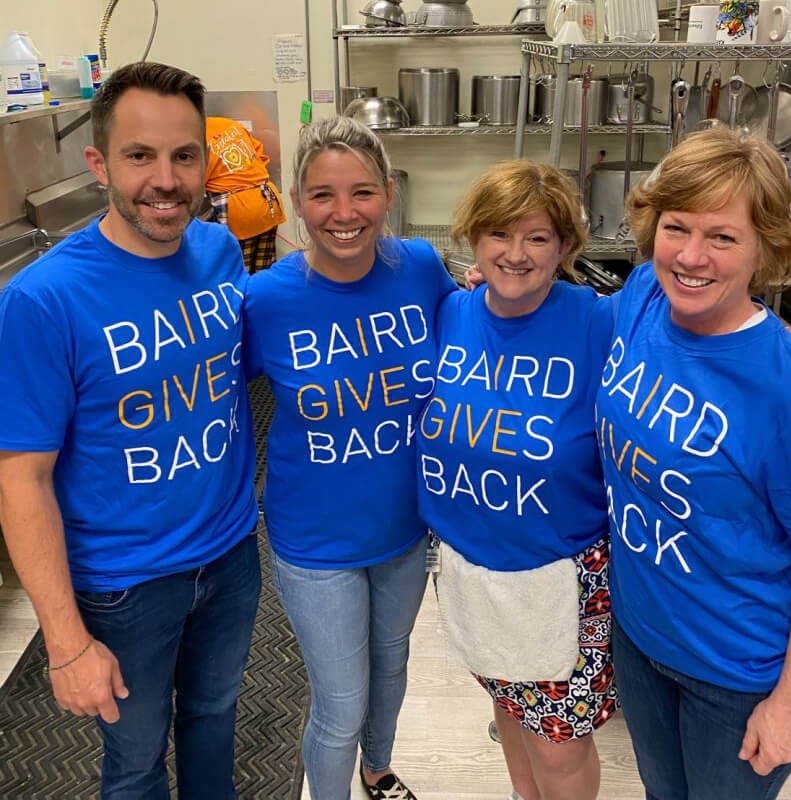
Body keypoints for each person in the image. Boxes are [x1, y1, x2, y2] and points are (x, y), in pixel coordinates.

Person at [0, 62, 260, 799]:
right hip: (124, 586)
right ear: (99, 163)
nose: (166, 180)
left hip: (232, 553)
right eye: (139, 156)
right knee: (137, 762)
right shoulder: (44, 301)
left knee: (213, 715)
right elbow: (21, 476)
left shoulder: (220, 252)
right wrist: (63, 640)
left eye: (184, 155)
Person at [243, 115, 457, 800]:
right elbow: (203, 394)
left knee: (391, 667)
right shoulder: (267, 299)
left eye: (361, 193)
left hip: (404, 527)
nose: (344, 214)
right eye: (322, 196)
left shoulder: (420, 268)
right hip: (316, 542)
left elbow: (477, 332)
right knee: (340, 704)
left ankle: (380, 768)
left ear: (388, 193)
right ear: (297, 200)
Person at [596, 125, 791, 800]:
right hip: (640, 633)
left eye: (723, 237)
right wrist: (500, 289)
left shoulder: (781, 387)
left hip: (735, 673)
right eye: (676, 227)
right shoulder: (645, 300)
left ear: (764, 249)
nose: (691, 256)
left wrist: (790, 706)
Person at [417, 160, 618, 800]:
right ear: (474, 238)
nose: (515, 253)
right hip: (470, 567)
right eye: (499, 234)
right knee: (508, 710)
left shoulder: (597, 321)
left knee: (557, 743)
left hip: (560, 575)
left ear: (564, 248)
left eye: (537, 237)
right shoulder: (451, 312)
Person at [205, 115, 286, 274]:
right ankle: (262, 298)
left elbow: (195, 178)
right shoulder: (231, 125)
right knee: (264, 272)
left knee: (238, 272)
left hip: (239, 209)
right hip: (267, 201)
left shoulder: (196, 136)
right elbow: (262, 156)